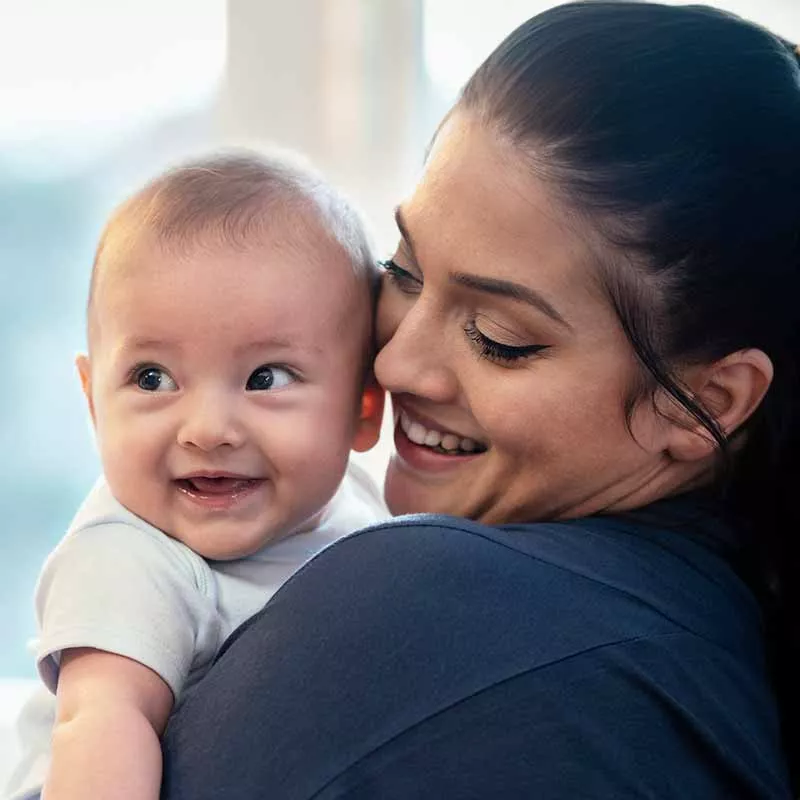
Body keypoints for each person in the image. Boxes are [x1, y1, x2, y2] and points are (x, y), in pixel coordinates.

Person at [157, 3, 800, 798]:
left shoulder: (430, 610)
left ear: (708, 399)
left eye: (499, 335)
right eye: (404, 271)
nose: (395, 363)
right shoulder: (721, 666)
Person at [4, 150, 388, 800]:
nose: (208, 428)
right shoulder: (128, 559)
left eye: (266, 377)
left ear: (363, 407)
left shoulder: (358, 504)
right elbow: (102, 724)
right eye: (152, 378)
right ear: (94, 402)